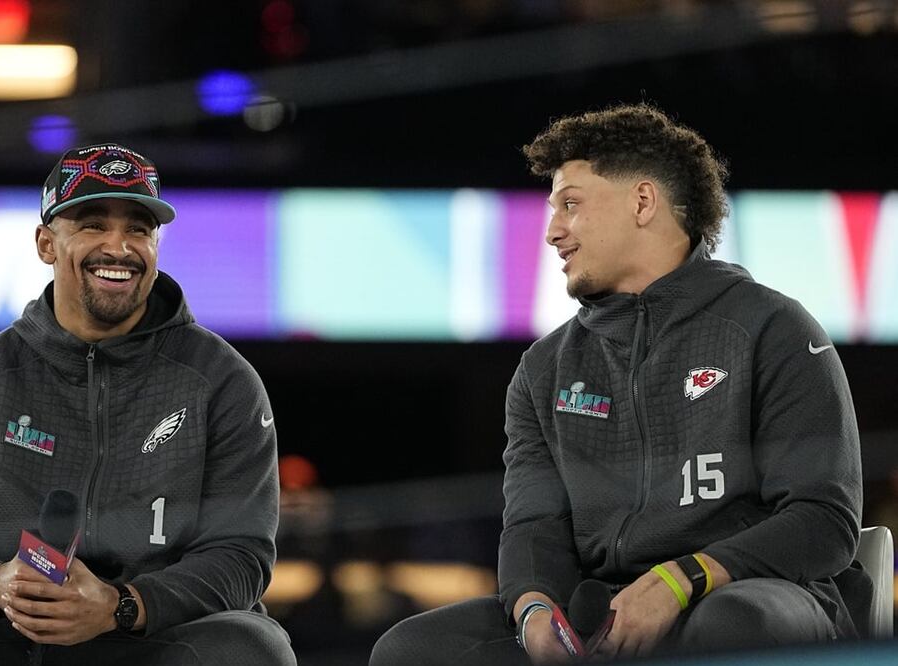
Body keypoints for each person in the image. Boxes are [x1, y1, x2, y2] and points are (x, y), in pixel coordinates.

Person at [370, 104, 864, 664]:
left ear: (643, 202)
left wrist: (681, 580)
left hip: (752, 594)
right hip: (603, 607)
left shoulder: (773, 328)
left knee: (732, 624)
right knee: (409, 649)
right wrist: (535, 611)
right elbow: (535, 527)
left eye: (571, 205)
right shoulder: (544, 367)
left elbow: (824, 521)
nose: (554, 231)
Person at [0, 144, 296, 665]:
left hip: (154, 634)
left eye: (139, 229)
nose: (118, 247)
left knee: (252, 649)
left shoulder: (223, 380)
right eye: (92, 224)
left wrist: (122, 606)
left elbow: (241, 555)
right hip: (9, 633)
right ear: (46, 243)